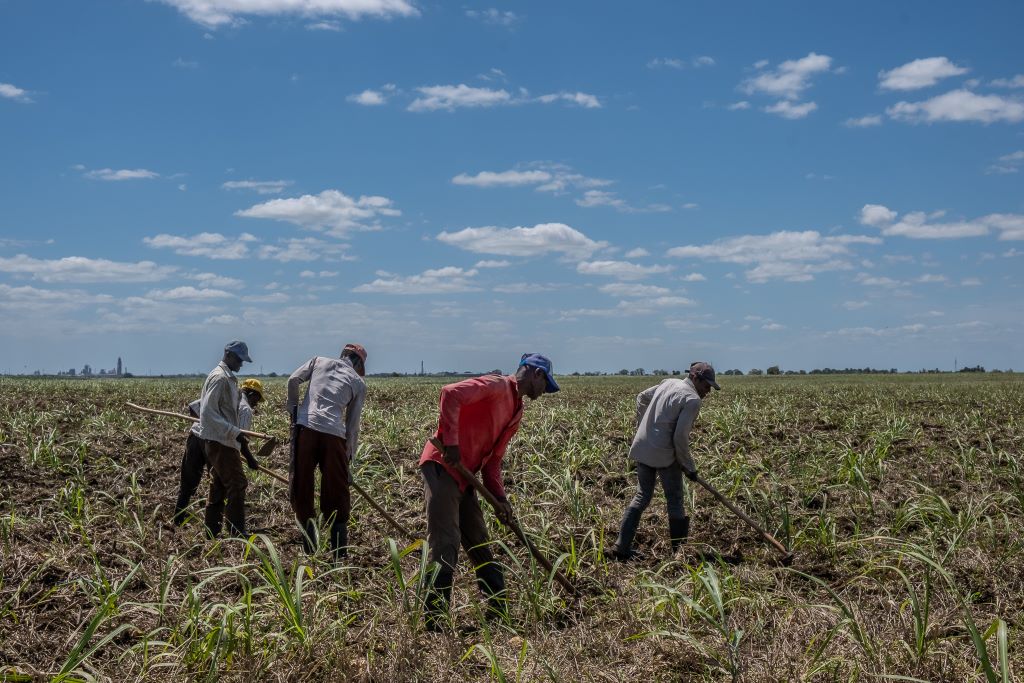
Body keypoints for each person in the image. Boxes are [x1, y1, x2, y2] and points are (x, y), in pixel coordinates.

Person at [419, 353, 559, 631]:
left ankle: (498, 609)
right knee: (447, 541)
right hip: (443, 467)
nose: (546, 391)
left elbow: (493, 461)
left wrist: (500, 499)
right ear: (536, 374)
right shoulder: (497, 386)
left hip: (466, 477)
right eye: (547, 384)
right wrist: (453, 443)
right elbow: (450, 394)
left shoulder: (516, 413)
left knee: (480, 541)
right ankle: (435, 623)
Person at [607, 361, 720, 561]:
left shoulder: (668, 383)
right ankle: (679, 554)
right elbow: (680, 438)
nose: (708, 391)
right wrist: (688, 466)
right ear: (695, 378)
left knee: (642, 496)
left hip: (642, 446)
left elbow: (641, 397)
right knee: (675, 500)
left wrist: (646, 428)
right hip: (665, 454)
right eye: (707, 385)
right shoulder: (692, 399)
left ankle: (621, 546)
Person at [286, 344, 367, 559]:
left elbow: (293, 380)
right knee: (336, 490)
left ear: (343, 355)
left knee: (302, 486)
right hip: (334, 435)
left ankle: (309, 551)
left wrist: (294, 412)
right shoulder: (358, 382)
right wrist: (347, 461)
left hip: (306, 428)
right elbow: (352, 427)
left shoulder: (318, 361)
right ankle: (339, 554)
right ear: (358, 362)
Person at [173, 378, 265, 526]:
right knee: (219, 483)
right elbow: (240, 438)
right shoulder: (245, 409)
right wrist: (250, 459)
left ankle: (178, 521)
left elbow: (194, 408)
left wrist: (206, 424)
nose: (256, 403)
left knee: (188, 483)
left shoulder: (228, 394)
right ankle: (232, 528)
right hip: (214, 442)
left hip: (196, 437)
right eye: (257, 398)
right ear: (250, 393)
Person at [198, 340, 257, 538]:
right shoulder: (220, 378)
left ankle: (211, 531)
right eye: (239, 360)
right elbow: (207, 413)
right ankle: (236, 532)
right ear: (228, 355)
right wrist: (235, 431)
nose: (241, 364)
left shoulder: (227, 378)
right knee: (237, 484)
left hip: (222, 440)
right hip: (221, 441)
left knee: (220, 484)